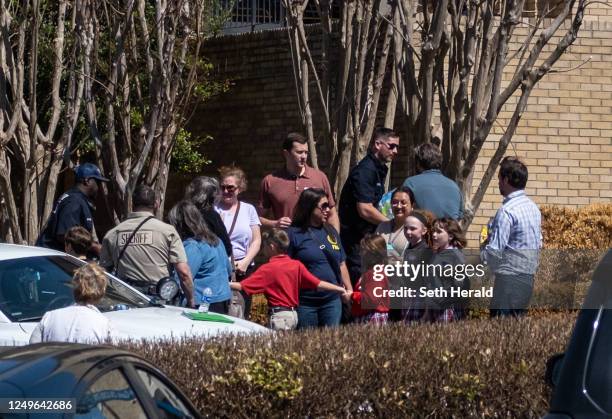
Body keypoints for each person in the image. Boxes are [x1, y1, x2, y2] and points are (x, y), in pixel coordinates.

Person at [230, 228, 349, 330]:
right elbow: (318, 283)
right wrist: (339, 289)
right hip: (294, 315)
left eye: (264, 247)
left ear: (272, 247)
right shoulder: (296, 265)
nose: (263, 250)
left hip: (279, 317)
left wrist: (222, 283)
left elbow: (241, 286)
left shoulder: (267, 269)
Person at [100, 184, 194, 307]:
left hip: (127, 300)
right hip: (159, 300)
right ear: (156, 204)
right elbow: (183, 273)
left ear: (132, 204)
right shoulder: (167, 231)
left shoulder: (113, 234)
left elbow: (102, 273)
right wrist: (191, 300)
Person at [339, 127, 400, 284]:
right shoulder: (366, 170)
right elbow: (365, 209)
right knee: (361, 285)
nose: (395, 151)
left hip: (368, 240)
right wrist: (391, 225)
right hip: (356, 242)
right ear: (378, 144)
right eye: (391, 146)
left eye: (397, 147)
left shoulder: (378, 169)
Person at [482, 156, 542, 317]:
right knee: (516, 334)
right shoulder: (533, 208)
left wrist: (484, 246)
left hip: (508, 283)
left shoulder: (506, 211)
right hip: (527, 281)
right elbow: (539, 243)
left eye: (499, 179)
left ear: (506, 180)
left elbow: (494, 252)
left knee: (499, 335)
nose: (498, 183)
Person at [288, 188, 353, 329]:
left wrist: (349, 290)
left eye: (328, 205)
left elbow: (341, 263)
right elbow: (286, 269)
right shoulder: (294, 234)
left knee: (330, 344)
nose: (328, 210)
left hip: (332, 301)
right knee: (307, 344)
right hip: (305, 303)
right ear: (309, 207)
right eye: (323, 206)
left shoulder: (331, 232)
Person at [258, 133, 339, 231]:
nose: (304, 156)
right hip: (287, 242)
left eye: (306, 152)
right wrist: (274, 224)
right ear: (286, 154)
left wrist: (336, 242)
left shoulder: (319, 177)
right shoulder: (270, 181)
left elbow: (332, 213)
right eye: (299, 152)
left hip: (315, 242)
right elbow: (257, 219)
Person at [168, 200, 232, 314]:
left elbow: (184, 276)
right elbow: (228, 270)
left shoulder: (193, 246)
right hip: (223, 299)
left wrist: (190, 300)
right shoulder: (217, 241)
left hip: (202, 304)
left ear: (179, 224)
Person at [215, 166, 261, 318]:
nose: (226, 191)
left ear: (239, 189)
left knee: (242, 310)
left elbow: (256, 240)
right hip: (219, 267)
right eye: (223, 187)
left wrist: (246, 261)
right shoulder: (213, 209)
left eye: (231, 188)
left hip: (243, 269)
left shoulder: (249, 210)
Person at [29, 263, 112, 344]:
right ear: (102, 292)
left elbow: (32, 351)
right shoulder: (104, 325)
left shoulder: (49, 318)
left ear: (73, 289)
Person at [37, 163, 108, 254]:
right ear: (87, 181)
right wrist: (95, 247)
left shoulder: (77, 198)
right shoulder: (74, 201)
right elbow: (66, 235)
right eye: (97, 182)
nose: (99, 187)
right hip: (52, 259)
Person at [422, 218, 469, 323]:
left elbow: (460, 285)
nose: (434, 235)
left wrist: (441, 301)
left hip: (447, 310)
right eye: (433, 231)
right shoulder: (437, 254)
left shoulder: (454, 256)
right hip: (433, 307)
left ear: (450, 236)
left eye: (439, 232)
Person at [402, 143, 463, 220]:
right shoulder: (454, 185)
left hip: (423, 230)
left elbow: (403, 212)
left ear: (418, 163)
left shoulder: (410, 183)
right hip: (449, 230)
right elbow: (460, 216)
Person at [184, 176, 232, 256]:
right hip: (206, 263)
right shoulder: (212, 216)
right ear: (213, 196)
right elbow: (227, 248)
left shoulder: (180, 212)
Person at [401, 210, 434, 323]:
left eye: (413, 229)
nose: (408, 232)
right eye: (406, 228)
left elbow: (429, 282)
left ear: (424, 230)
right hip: (409, 298)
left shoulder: (426, 251)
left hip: (420, 299)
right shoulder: (409, 248)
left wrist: (427, 310)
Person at [351, 235, 390, 325]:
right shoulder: (370, 271)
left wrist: (352, 296)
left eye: (364, 251)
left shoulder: (376, 273)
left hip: (372, 317)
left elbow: (372, 299)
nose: (360, 253)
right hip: (366, 315)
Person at [375, 187, 414, 261]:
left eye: (403, 202)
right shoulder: (382, 227)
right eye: (395, 202)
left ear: (412, 206)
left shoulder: (416, 229)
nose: (399, 206)